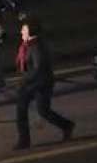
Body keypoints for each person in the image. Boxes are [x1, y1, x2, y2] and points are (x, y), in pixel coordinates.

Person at [13, 17, 75, 150]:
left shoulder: (36, 47)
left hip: (40, 83)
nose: (21, 32)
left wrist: (24, 80)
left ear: (31, 31)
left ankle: (66, 126)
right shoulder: (28, 45)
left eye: (24, 29)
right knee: (29, 109)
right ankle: (24, 140)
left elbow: (38, 68)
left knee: (39, 110)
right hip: (34, 82)